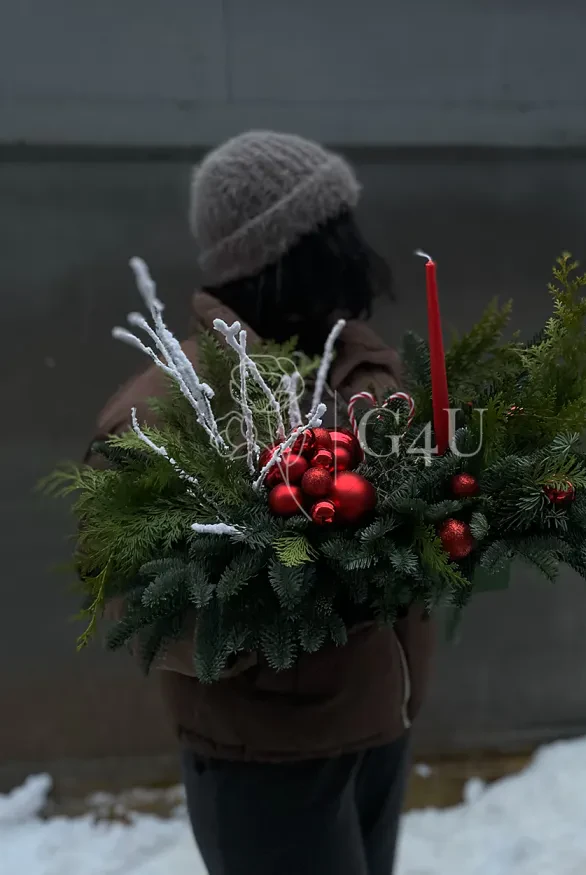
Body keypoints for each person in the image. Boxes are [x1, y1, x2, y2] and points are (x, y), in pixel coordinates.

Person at [88, 131, 435, 875]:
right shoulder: (172, 412)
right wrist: (294, 594)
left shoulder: (363, 375)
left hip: (378, 722)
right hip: (267, 759)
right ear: (284, 254)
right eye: (334, 231)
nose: (358, 253)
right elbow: (138, 602)